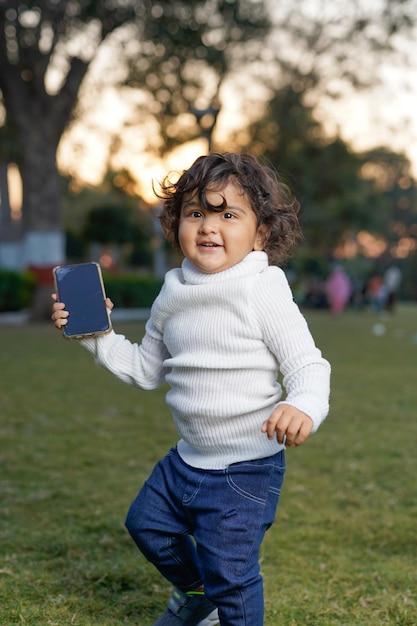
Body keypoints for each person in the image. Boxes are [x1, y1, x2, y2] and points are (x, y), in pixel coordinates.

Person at [52, 152, 331, 626]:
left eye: (228, 214)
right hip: (185, 462)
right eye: (195, 213)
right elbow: (145, 369)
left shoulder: (262, 287)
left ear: (261, 232)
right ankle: (199, 596)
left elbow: (308, 365)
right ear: (175, 222)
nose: (208, 226)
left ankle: (220, 599)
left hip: (245, 471)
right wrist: (97, 336)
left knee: (234, 577)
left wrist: (301, 405)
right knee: (147, 525)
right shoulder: (173, 291)